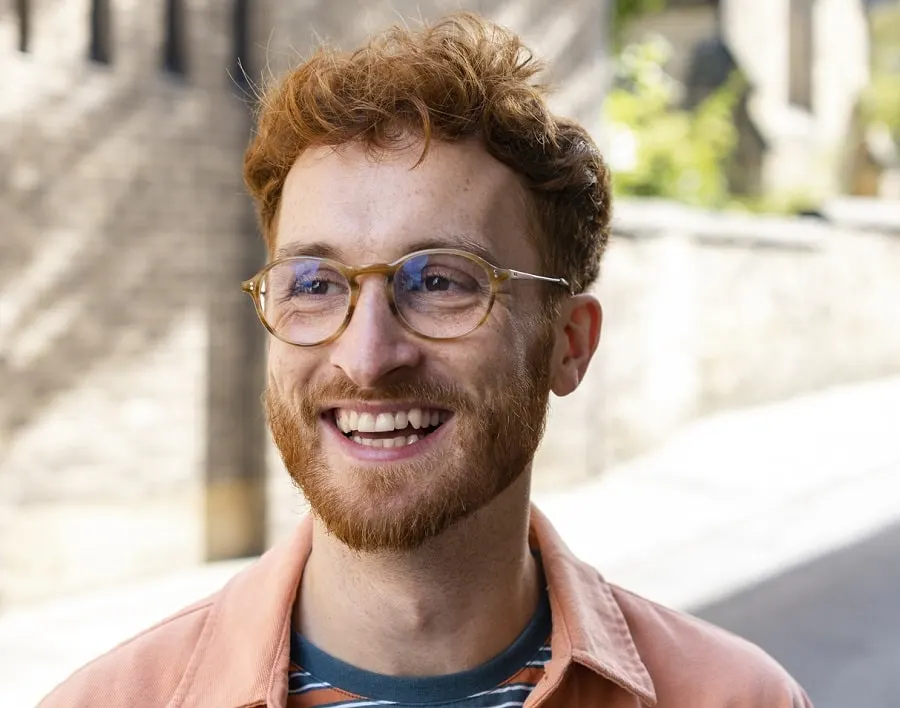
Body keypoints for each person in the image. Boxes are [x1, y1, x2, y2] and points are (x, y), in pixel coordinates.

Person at [39, 13, 813, 708]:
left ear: (569, 345)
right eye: (313, 283)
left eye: (440, 281)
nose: (367, 356)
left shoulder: (739, 699)